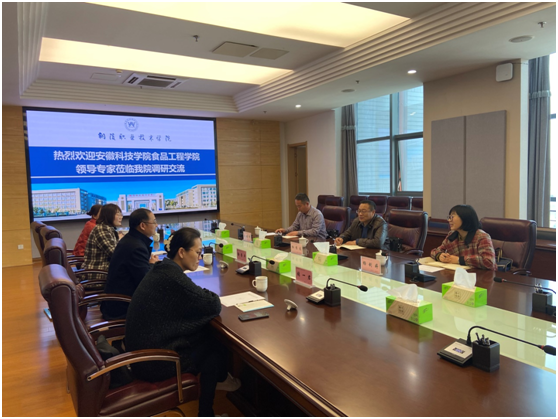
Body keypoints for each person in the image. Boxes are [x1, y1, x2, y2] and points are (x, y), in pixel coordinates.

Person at [125, 227, 241, 417]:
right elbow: (212, 304)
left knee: (207, 334)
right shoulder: (173, 277)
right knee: (213, 350)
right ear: (181, 252)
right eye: (197, 252)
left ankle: (220, 380)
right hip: (154, 362)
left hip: (143, 352)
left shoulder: (164, 268)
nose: (200, 257)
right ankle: (207, 412)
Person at [100, 208, 159, 320]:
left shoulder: (130, 240)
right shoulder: (136, 247)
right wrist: (153, 265)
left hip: (115, 302)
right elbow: (146, 282)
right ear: (142, 226)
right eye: (154, 222)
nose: (156, 225)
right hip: (123, 307)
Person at [430, 204, 496, 270]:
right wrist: (439, 256)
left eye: (452, 217)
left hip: (480, 275)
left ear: (464, 218)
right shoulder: (452, 235)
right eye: (449, 217)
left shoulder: (481, 236)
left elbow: (489, 261)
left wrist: (459, 260)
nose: (449, 220)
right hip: (459, 273)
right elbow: (434, 251)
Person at [82, 204, 123, 281]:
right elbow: (115, 253)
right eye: (118, 214)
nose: (121, 217)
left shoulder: (108, 228)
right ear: (109, 215)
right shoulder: (102, 229)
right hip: (98, 273)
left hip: (104, 270)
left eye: (121, 214)